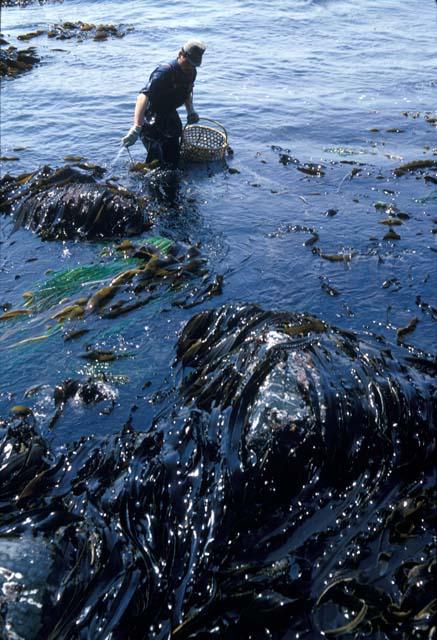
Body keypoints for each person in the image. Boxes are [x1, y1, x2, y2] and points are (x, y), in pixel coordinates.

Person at [122, 39, 206, 170]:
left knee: (173, 161)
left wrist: (191, 110)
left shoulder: (192, 73)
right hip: (151, 120)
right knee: (156, 163)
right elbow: (143, 96)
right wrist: (137, 126)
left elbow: (186, 92)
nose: (190, 67)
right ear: (180, 54)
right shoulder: (164, 72)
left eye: (193, 64)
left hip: (170, 117)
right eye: (188, 63)